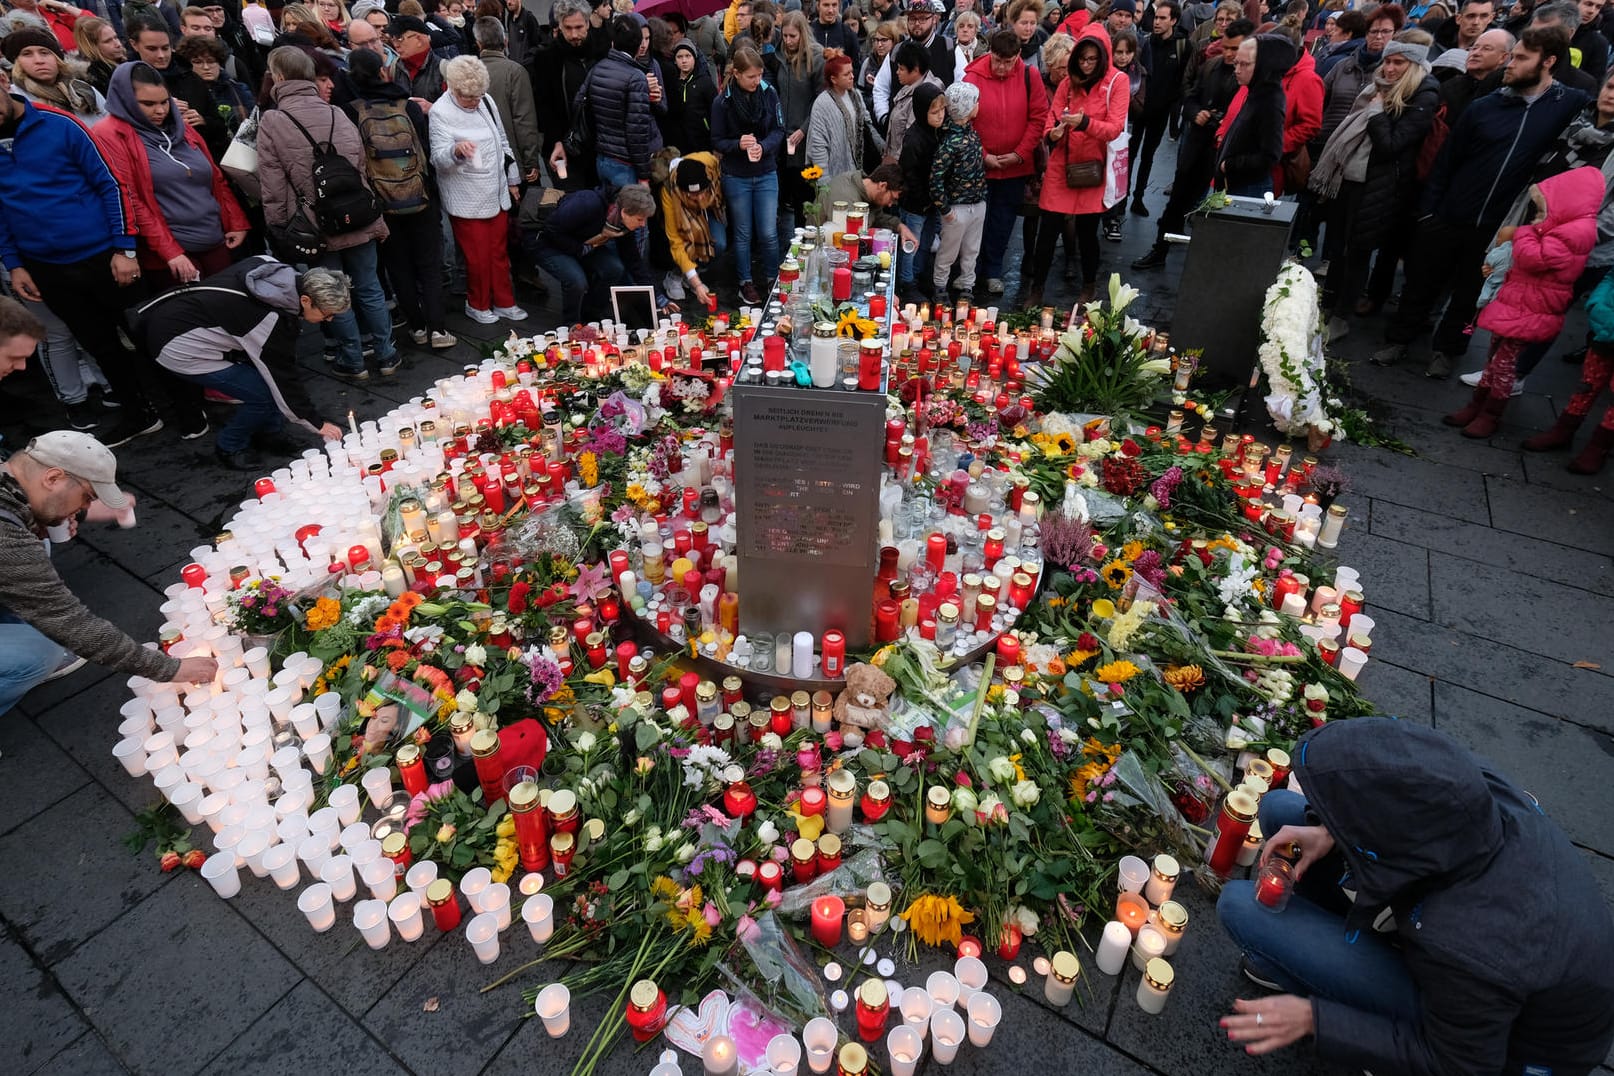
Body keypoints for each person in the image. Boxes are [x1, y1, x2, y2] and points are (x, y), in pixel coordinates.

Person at [1216, 718, 1614, 1072]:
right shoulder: (1469, 786)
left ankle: (1319, 986)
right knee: (1283, 809)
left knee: (1241, 907)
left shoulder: (1472, 944)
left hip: (1505, 1048)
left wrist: (1316, 1020)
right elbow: (1405, 819)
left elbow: (1458, 1063)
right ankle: (1319, 958)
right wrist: (1328, 832)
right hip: (1471, 943)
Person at [1372, 25, 1590, 373]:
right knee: (1421, 282)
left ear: (1548, 61)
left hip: (1500, 223)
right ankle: (1399, 339)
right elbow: (1446, 160)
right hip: (1450, 213)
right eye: (1513, 55)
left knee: (1472, 290)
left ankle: (1448, 349)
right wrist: (1430, 212)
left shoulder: (1567, 105)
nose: (1511, 64)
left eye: (1521, 58)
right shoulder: (1486, 107)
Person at [0, 79, 174, 449]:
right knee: (98, 344)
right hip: (45, 264)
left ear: (2, 82)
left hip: (102, 255)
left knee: (146, 333)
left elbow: (111, 184)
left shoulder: (60, 124)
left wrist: (124, 249)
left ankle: (186, 405)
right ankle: (139, 414)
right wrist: (14, 263)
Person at [0, 424, 218, 714]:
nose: (84, 507)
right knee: (41, 655)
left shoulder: (11, 478)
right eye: (88, 496)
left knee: (39, 546)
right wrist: (170, 669)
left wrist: (38, 521)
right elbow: (71, 623)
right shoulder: (6, 538)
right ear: (53, 478)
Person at [257, 45, 398, 381]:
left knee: (333, 292)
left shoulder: (274, 120)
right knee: (369, 286)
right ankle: (387, 353)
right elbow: (359, 164)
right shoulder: (336, 112)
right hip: (358, 214)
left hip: (316, 224)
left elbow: (273, 182)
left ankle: (354, 360)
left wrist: (278, 225)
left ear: (277, 76)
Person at [137, 256, 345, 468]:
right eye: (327, 314)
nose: (329, 320)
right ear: (306, 301)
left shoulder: (271, 266)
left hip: (178, 319)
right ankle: (229, 447)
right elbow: (283, 377)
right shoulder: (269, 320)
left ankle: (269, 435)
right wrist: (316, 423)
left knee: (264, 382)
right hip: (178, 347)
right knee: (263, 394)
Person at [1441, 166, 1603, 437]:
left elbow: (1534, 258)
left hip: (1534, 308)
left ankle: (1492, 413)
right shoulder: (1560, 227)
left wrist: (1522, 233)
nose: (1538, 216)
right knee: (1493, 356)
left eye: (1542, 209)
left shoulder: (1576, 232)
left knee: (1505, 364)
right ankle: (1477, 404)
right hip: (1519, 301)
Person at [1307, 40, 1438, 340]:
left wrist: (1377, 114)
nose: (1390, 69)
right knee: (1338, 249)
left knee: (1357, 254)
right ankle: (1325, 307)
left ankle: (1341, 316)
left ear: (1414, 66)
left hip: (1378, 188)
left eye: (1398, 63)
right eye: (1387, 62)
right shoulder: (1376, 90)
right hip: (1348, 180)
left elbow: (1392, 145)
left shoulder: (1422, 96)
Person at [92, 61, 250, 298]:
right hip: (172, 253)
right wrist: (170, 252)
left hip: (213, 237)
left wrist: (236, 221)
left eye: (164, 102)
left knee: (231, 305)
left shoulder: (179, 126)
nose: (160, 111)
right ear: (125, 100)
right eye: (148, 104)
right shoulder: (109, 133)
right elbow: (131, 199)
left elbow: (214, 177)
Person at [344, 47, 453, 350]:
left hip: (384, 203)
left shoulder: (352, 111)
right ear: (383, 71)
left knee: (399, 267)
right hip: (420, 196)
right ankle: (439, 330)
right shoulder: (409, 106)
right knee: (429, 265)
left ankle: (417, 327)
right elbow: (426, 151)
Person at [1021, 23, 1128, 308]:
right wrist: (1052, 133)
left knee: (1087, 233)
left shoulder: (1117, 82)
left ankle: (1089, 286)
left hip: (1093, 167)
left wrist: (1084, 123)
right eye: (1082, 58)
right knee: (1047, 231)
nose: (1086, 64)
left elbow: (1115, 128)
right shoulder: (1069, 82)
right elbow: (1051, 119)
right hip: (1062, 165)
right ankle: (1037, 290)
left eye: (1092, 58)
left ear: (1103, 56)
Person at [1131, 17, 1251, 270]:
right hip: (1197, 143)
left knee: (1213, 208)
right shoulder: (1213, 66)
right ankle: (1159, 250)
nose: (1228, 54)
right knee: (1176, 200)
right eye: (1226, 47)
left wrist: (1221, 122)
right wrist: (1195, 112)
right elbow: (1192, 95)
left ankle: (1204, 264)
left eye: (1234, 49)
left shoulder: (1248, 78)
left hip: (1222, 152)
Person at [430, 54, 526, 326]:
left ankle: (505, 301)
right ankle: (477, 303)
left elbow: (502, 140)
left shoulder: (486, 101)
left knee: (498, 252)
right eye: (468, 97)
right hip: (466, 197)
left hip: (495, 191)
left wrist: (512, 179)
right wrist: (456, 151)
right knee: (477, 257)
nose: (474, 101)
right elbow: (438, 158)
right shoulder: (440, 111)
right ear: (452, 88)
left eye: (478, 95)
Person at [964, 28, 1050, 297]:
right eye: (997, 60)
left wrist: (1020, 153)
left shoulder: (1029, 75)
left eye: (1007, 62)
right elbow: (963, 121)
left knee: (1003, 222)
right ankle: (969, 271)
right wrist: (984, 155)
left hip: (1015, 167)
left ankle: (993, 271)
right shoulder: (972, 77)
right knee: (975, 221)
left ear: (1018, 57)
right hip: (980, 166)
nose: (1001, 67)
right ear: (990, 53)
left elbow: (1038, 118)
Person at [711, 44, 784, 304]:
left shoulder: (769, 93)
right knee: (742, 232)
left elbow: (778, 130)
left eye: (760, 75)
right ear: (738, 74)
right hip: (737, 175)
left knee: (768, 232)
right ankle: (745, 282)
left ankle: (773, 278)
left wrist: (763, 147)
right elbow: (717, 139)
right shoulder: (723, 101)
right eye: (752, 76)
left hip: (765, 171)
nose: (757, 81)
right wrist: (737, 144)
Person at [1528, 262, 1614, 470]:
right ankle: (1563, 431)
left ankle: (1598, 447)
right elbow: (1610, 280)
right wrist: (1598, 305)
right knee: (1587, 384)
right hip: (1605, 330)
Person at [533, 182, 657, 323]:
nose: (642, 224)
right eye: (640, 219)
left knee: (614, 268)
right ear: (624, 212)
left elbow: (633, 259)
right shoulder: (589, 204)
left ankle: (590, 315)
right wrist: (578, 250)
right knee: (576, 281)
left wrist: (657, 296)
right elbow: (551, 229)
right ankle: (572, 325)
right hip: (546, 243)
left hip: (582, 242)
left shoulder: (622, 222)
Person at [126, 13, 233, 160]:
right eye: (152, 49)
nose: (161, 55)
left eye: (165, 48)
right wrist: (163, 109)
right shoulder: (126, 82)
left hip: (206, 159)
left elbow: (220, 125)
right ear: (134, 44)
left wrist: (203, 121)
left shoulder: (189, 76)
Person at [1127, 2, 1189, 215]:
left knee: (1148, 156)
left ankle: (1138, 197)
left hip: (1161, 111)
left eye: (1163, 18)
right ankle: (1121, 200)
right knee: (1129, 153)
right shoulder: (1144, 43)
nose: (1157, 22)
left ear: (1173, 20)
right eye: (1156, 17)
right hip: (1139, 109)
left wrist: (1173, 102)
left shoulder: (1182, 46)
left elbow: (1184, 79)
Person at [929, 81, 988, 302]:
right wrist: (944, 208)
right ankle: (940, 285)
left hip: (977, 202)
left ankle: (966, 282)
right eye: (975, 101)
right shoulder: (950, 143)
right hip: (956, 207)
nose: (978, 105)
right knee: (948, 250)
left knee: (972, 248)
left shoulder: (972, 134)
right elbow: (935, 178)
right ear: (965, 108)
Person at [1215, 34, 1292, 197]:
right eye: (1236, 63)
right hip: (1237, 183)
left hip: (1248, 188)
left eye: (1244, 64)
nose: (1237, 70)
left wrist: (1229, 165)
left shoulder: (1270, 101)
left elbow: (1270, 155)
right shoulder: (1256, 91)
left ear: (1262, 66)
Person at [539, 0, 603, 187]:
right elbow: (545, 106)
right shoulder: (548, 58)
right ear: (559, 26)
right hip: (567, 147)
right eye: (568, 28)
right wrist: (556, 141)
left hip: (600, 146)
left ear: (588, 24)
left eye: (578, 27)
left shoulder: (602, 50)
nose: (574, 34)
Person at [473, 17, 540, 185]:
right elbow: (524, 121)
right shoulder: (515, 72)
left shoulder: (469, 72)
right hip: (513, 162)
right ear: (505, 40)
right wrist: (530, 161)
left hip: (479, 161)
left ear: (478, 43)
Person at [896, 81, 945, 300]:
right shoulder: (914, 138)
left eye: (942, 110)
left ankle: (918, 276)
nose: (940, 116)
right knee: (911, 245)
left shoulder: (938, 133)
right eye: (934, 112)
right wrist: (924, 197)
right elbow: (909, 173)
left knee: (925, 243)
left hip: (932, 202)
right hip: (916, 203)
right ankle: (907, 282)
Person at [3, 25, 106, 124]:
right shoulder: (14, 99)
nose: (39, 60)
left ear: (57, 59)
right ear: (17, 62)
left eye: (44, 53)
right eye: (27, 54)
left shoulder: (84, 90)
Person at [659, 153, 725, 307]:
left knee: (719, 244)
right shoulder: (669, 193)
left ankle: (693, 273)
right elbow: (675, 241)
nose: (700, 197)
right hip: (683, 217)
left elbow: (718, 167)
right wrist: (697, 285)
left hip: (710, 208)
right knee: (689, 241)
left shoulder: (708, 161)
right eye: (693, 195)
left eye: (702, 191)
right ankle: (677, 275)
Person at [873, 0, 953, 124]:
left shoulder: (949, 48)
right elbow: (880, 88)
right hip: (902, 133)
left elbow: (961, 86)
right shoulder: (896, 51)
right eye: (912, 18)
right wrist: (884, 117)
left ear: (934, 19)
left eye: (922, 18)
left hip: (940, 130)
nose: (916, 23)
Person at [808, 52, 882, 176]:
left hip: (858, 168)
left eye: (852, 72)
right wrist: (823, 180)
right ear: (833, 79)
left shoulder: (856, 95)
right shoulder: (822, 104)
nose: (852, 76)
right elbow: (818, 144)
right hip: (834, 172)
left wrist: (882, 147)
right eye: (846, 74)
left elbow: (867, 124)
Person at [175, 35, 255, 136]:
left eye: (211, 61)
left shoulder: (239, 90)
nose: (206, 67)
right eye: (197, 62)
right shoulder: (180, 92)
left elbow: (254, 124)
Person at [883, 40, 942, 164]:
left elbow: (909, 138)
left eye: (901, 69)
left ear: (915, 70)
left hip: (904, 166)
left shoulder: (924, 97)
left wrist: (893, 164)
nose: (897, 72)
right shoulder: (909, 87)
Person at [667, 39, 717, 152]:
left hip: (702, 140)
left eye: (688, 56)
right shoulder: (672, 82)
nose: (684, 60)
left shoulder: (705, 82)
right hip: (678, 142)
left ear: (694, 58)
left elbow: (715, 110)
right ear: (674, 60)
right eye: (679, 57)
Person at [390, 14, 448, 101]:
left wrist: (432, 109)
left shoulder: (445, 69)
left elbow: (460, 109)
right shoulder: (395, 66)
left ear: (419, 40)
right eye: (392, 39)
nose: (395, 45)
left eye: (400, 39)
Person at [72, 16, 126, 96]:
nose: (117, 44)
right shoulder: (95, 78)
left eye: (115, 37)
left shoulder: (124, 62)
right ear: (92, 46)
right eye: (108, 41)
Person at [810, 0, 859, 64]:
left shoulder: (848, 33)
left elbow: (855, 65)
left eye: (834, 5)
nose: (830, 10)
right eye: (826, 5)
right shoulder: (809, 31)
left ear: (839, 6)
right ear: (818, 6)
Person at [499, 0, 545, 68]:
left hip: (526, 68)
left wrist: (527, 61)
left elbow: (536, 45)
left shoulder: (529, 18)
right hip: (514, 68)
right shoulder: (510, 18)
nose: (509, 2)